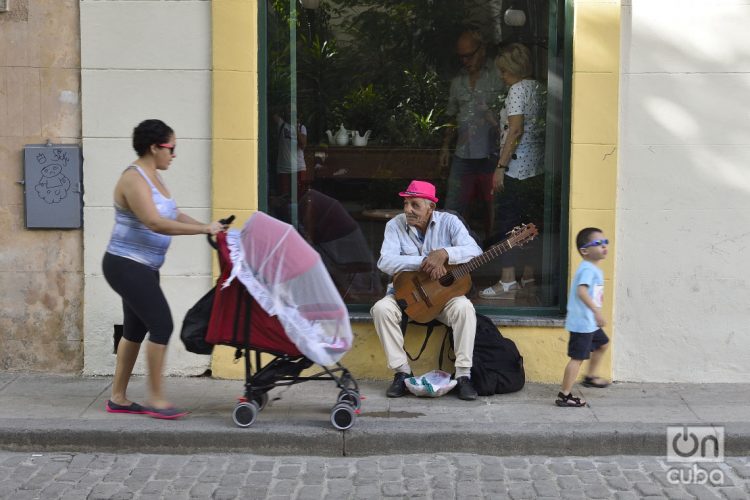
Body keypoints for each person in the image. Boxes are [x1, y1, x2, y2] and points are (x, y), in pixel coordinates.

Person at [102, 119, 226, 419]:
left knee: (135, 328)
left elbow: (172, 214)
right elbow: (154, 222)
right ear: (154, 147)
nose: (174, 154)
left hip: (143, 266)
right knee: (162, 325)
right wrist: (201, 231)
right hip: (125, 264)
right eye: (171, 148)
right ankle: (156, 399)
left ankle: (118, 397)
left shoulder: (154, 176)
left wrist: (207, 227)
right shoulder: (133, 179)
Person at [370, 180, 483, 401]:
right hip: (404, 296)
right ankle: (402, 373)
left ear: (431, 207)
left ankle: (463, 375)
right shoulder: (394, 225)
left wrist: (445, 253)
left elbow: (474, 251)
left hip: (442, 299)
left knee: (465, 308)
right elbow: (385, 262)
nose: (407, 210)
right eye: (405, 204)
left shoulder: (450, 222)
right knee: (381, 309)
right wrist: (425, 261)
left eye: (415, 205)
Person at [480, 43, 547, 301]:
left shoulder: (516, 90)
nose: (501, 76)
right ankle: (528, 276)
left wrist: (500, 167)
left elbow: (516, 129)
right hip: (536, 168)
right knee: (530, 224)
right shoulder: (538, 88)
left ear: (514, 69)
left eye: (504, 71)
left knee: (507, 223)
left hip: (516, 168)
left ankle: (507, 280)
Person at [440, 30, 505, 239]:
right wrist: (445, 146)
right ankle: (454, 249)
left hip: (491, 152)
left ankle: (495, 249)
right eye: (462, 56)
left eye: (470, 55)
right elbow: (451, 115)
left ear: (482, 50)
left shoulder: (498, 75)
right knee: (453, 205)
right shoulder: (458, 80)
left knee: (494, 205)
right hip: (463, 152)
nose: (465, 61)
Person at [556, 227, 611, 408]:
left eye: (605, 242)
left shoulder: (592, 268)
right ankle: (564, 395)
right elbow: (581, 291)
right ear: (585, 251)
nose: (603, 246)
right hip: (582, 323)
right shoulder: (587, 269)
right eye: (598, 243)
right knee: (577, 358)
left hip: (590, 323)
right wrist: (596, 311)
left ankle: (590, 377)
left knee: (602, 344)